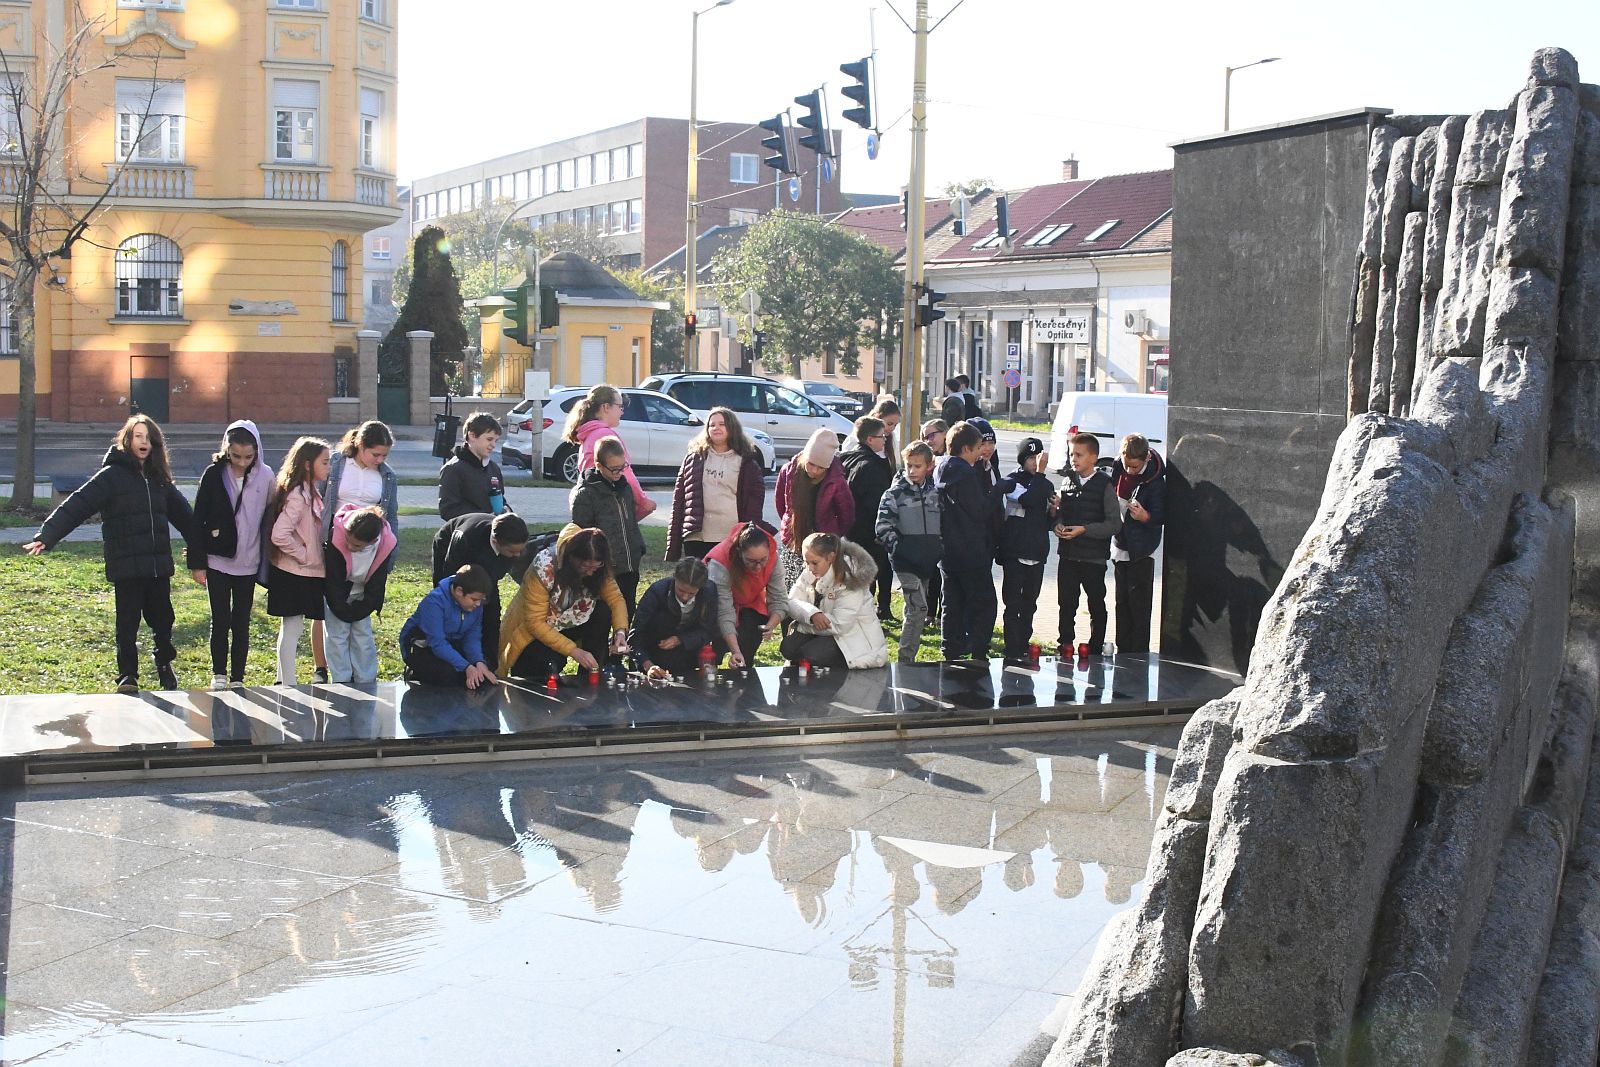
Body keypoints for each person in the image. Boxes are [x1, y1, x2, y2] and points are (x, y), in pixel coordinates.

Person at [25, 414, 194, 694]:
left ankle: (164, 663)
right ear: (127, 441)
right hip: (126, 565)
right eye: (138, 436)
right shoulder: (111, 477)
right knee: (127, 624)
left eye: (148, 437)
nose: (143, 442)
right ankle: (128, 675)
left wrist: (204, 548)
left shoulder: (159, 480)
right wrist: (47, 535)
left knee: (163, 621)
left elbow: (187, 519)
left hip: (157, 566)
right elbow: (77, 505)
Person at [185, 420, 272, 690]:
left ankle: (237, 677)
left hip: (249, 561)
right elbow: (197, 519)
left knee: (241, 620)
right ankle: (219, 673)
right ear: (226, 449)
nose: (242, 462)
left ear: (257, 452)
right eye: (236, 456)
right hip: (218, 560)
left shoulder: (266, 476)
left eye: (248, 457)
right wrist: (197, 563)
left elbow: (271, 516)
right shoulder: (214, 474)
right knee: (220, 618)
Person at [500, 525, 630, 680]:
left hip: (572, 621)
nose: (590, 572)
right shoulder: (544, 565)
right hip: (536, 630)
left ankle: (590, 678)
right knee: (538, 671)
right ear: (572, 557)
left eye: (596, 567)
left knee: (603, 610)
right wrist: (574, 651)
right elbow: (534, 623)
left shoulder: (598, 569)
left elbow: (615, 599)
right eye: (585, 566)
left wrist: (620, 632)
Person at [268, 436, 332, 685]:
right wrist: (304, 554)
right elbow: (279, 534)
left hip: (305, 571)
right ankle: (288, 683)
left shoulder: (311, 492)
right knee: (293, 627)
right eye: (324, 462)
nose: (329, 467)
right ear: (307, 464)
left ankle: (282, 679)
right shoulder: (298, 495)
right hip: (294, 572)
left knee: (292, 627)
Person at [431, 511, 531, 670]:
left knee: (491, 613)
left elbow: (493, 578)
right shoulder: (465, 537)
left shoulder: (511, 547)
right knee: (451, 607)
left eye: (520, 551)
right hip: (449, 547)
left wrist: (483, 600)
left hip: (486, 563)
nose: (517, 555)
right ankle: (453, 655)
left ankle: (490, 664)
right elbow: (449, 577)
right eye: (512, 552)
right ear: (495, 541)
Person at [1055, 431, 1124, 656]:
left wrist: (1085, 530)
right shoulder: (1067, 481)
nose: (1073, 459)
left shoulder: (1104, 485)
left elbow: (1114, 524)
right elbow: (1062, 513)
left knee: (1096, 603)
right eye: (1071, 454)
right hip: (1068, 555)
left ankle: (1095, 646)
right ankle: (1065, 643)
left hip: (1093, 557)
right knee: (1066, 603)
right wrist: (1057, 523)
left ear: (1093, 458)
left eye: (1079, 455)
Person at [667, 405, 765, 561]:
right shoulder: (693, 459)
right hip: (696, 537)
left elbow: (754, 506)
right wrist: (673, 544)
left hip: (731, 536)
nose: (716, 428)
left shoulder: (747, 463)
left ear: (732, 428)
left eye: (722, 424)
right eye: (711, 425)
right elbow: (678, 502)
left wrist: (748, 534)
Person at [935, 421, 998, 661]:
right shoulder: (966, 474)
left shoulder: (940, 469)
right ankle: (978, 649)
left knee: (952, 602)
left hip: (947, 551)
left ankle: (950, 648)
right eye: (978, 448)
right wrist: (998, 492)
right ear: (966, 449)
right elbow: (979, 510)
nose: (980, 452)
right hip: (971, 550)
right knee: (984, 603)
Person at [876, 441, 942, 664]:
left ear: (929, 466)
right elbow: (883, 526)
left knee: (914, 609)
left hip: (926, 560)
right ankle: (906, 660)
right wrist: (898, 548)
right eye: (909, 466)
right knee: (918, 608)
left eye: (917, 466)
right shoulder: (894, 494)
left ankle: (908, 657)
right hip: (905, 562)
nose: (912, 471)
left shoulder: (934, 493)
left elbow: (941, 523)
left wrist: (938, 547)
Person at [781, 532, 888, 669]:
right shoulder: (811, 570)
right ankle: (810, 663)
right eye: (806, 562)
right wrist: (812, 614)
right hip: (825, 630)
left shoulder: (851, 579)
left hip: (855, 640)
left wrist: (803, 625)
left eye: (814, 563)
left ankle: (830, 670)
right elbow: (792, 601)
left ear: (831, 557)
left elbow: (841, 624)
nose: (809, 568)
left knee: (811, 653)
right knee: (788, 648)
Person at [570, 435, 646, 615]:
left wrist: (638, 547)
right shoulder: (585, 494)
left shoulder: (625, 488)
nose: (619, 473)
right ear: (598, 465)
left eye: (623, 467)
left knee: (628, 609)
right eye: (614, 469)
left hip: (630, 564)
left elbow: (630, 522)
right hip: (604, 568)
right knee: (603, 613)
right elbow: (582, 535)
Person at [322, 504, 398, 684]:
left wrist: (364, 607)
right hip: (338, 590)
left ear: (373, 541)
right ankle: (341, 680)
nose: (349, 546)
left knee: (363, 636)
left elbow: (378, 580)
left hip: (364, 591)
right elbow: (333, 579)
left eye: (356, 545)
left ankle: (366, 679)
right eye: (347, 540)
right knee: (337, 635)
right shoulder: (336, 535)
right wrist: (340, 608)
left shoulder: (386, 543)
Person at [996, 438, 1057, 661]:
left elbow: (1047, 521)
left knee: (1030, 603)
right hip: (1014, 552)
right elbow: (1029, 500)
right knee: (1013, 604)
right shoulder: (1012, 481)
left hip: (1037, 552)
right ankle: (1011, 647)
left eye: (1038, 457)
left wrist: (1054, 512)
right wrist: (1040, 474)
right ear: (1022, 460)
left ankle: (1024, 643)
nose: (1036, 462)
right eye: (1031, 458)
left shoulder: (1046, 485)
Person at [775, 427, 855, 587]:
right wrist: (789, 525)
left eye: (820, 468)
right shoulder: (788, 472)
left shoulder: (837, 481)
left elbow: (846, 514)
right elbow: (781, 505)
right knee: (792, 586)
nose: (814, 470)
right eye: (811, 464)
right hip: (793, 540)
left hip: (822, 544)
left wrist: (832, 535)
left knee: (819, 587)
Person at [562, 383, 656, 518]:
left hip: (593, 504)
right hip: (609, 505)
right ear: (606, 407)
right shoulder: (604, 435)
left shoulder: (589, 434)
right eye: (620, 406)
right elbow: (623, 472)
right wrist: (643, 501)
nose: (622, 412)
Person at [1109, 433, 1166, 654]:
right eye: (1126, 465)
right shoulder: (1118, 467)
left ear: (1146, 459)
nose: (1129, 470)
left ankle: (1139, 652)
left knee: (1139, 606)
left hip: (1142, 549)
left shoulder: (1155, 481)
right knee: (1121, 603)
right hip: (1120, 543)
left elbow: (1161, 515)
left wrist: (1145, 517)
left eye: (1134, 467)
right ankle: (1123, 650)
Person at [399, 564, 498, 689]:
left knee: (482, 675)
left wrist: (478, 662)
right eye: (474, 599)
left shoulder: (475, 604)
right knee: (448, 675)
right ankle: (414, 672)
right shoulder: (434, 602)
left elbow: (472, 637)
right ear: (459, 591)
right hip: (422, 646)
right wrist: (466, 667)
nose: (478, 604)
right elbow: (437, 643)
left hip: (450, 643)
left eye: (481, 600)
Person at [704, 521, 786, 667]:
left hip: (750, 602)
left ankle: (744, 667)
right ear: (739, 553)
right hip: (714, 605)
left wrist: (771, 624)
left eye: (763, 560)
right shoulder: (720, 562)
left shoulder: (774, 558)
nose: (758, 567)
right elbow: (724, 611)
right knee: (716, 648)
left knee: (749, 638)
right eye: (751, 561)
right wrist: (735, 651)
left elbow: (779, 598)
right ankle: (710, 669)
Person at [841, 416, 896, 621]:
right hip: (869, 531)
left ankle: (872, 611)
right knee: (871, 575)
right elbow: (877, 503)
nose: (885, 439)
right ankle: (871, 613)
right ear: (870, 439)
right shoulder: (871, 466)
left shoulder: (846, 458)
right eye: (882, 436)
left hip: (851, 530)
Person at [630, 557, 721, 675]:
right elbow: (636, 635)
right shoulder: (656, 593)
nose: (685, 597)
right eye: (681, 590)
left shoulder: (709, 592)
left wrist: (681, 640)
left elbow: (709, 630)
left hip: (688, 658)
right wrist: (648, 665)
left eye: (691, 593)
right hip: (653, 655)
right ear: (674, 578)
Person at [321, 421, 400, 550]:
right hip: (334, 537)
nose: (380, 460)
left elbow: (391, 516)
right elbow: (317, 499)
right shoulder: (335, 464)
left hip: (368, 542)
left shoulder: (388, 475)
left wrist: (392, 550)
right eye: (375, 455)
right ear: (360, 444)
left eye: (384, 456)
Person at [438, 412, 511, 520]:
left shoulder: (493, 468)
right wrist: (485, 517)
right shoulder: (453, 469)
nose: (493, 445)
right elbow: (448, 510)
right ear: (472, 435)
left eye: (496, 440)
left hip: (493, 528)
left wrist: (507, 512)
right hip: (468, 529)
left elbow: (501, 501)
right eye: (489, 439)